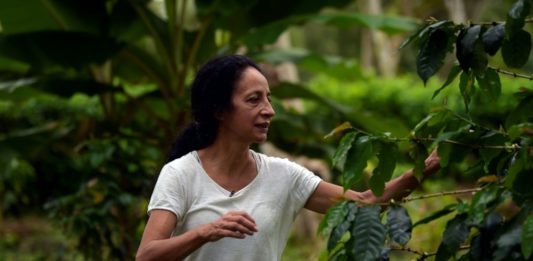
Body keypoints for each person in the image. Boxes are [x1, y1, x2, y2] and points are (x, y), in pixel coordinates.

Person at [136, 55, 440, 261]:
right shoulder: (180, 173)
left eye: (269, 98)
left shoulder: (284, 175)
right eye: (254, 100)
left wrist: (421, 171)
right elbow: (147, 254)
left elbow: (364, 202)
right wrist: (206, 232)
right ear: (219, 111)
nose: (269, 110)